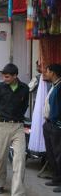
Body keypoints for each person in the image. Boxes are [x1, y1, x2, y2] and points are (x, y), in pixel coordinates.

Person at [0, 63, 29, 195]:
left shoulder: (24, 88)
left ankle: (17, 192)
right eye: (4, 76)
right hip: (2, 126)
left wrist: (17, 117)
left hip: (18, 127)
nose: (5, 79)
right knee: (0, 158)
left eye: (7, 77)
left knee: (19, 159)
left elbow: (25, 105)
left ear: (15, 76)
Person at [42, 64, 61, 193]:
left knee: (59, 154)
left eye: (47, 71)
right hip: (49, 124)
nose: (45, 73)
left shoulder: (60, 87)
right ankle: (56, 178)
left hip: (56, 125)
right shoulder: (54, 86)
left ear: (53, 73)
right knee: (51, 153)